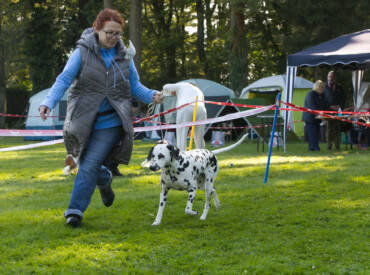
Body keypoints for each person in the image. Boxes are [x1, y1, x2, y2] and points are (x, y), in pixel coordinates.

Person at [39, 9, 164, 227]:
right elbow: (64, 79)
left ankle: (74, 212)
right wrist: (47, 102)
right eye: (109, 33)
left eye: (118, 34)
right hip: (82, 121)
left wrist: (152, 95)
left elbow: (134, 86)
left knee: (88, 164)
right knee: (91, 166)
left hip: (111, 122)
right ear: (97, 29)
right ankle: (104, 179)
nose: (114, 38)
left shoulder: (125, 57)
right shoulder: (82, 53)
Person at [302, 80, 328, 151]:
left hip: (317, 118)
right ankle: (315, 147)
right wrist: (319, 113)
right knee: (312, 133)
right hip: (309, 117)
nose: (323, 89)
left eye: (323, 88)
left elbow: (325, 105)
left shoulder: (322, 95)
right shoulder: (310, 94)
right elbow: (311, 106)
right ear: (317, 87)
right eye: (321, 88)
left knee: (316, 133)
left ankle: (312, 147)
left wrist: (324, 113)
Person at [324, 71, 346, 150]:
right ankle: (329, 146)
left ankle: (337, 146)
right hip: (328, 111)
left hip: (338, 111)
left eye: (332, 77)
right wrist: (329, 107)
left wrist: (340, 107)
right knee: (329, 129)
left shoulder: (339, 87)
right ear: (327, 77)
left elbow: (343, 98)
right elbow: (323, 100)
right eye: (329, 76)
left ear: (335, 78)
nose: (331, 78)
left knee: (337, 128)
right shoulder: (324, 86)